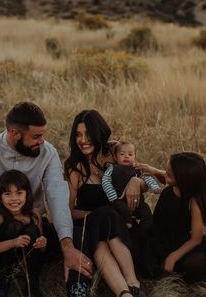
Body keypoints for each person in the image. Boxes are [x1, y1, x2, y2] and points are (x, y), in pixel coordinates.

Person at [0, 102, 92, 288]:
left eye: (43, 135)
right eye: (36, 136)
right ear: (14, 133)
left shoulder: (48, 153)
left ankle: (74, 287)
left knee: (78, 237)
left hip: (30, 228)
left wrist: (67, 246)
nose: (42, 141)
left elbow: (57, 198)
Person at [64, 110, 146, 297]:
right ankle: (129, 288)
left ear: (99, 133)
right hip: (91, 225)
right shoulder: (75, 167)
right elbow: (68, 211)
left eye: (88, 134)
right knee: (103, 217)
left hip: (120, 227)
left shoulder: (115, 153)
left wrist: (136, 182)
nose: (83, 139)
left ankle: (129, 287)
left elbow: (142, 178)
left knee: (107, 224)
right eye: (78, 134)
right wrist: (95, 215)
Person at [137, 152, 206, 282]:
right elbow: (165, 177)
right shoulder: (172, 187)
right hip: (161, 239)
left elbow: (196, 239)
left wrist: (173, 257)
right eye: (167, 170)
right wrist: (154, 171)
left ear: (183, 179)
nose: (166, 172)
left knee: (195, 263)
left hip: (183, 244)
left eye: (169, 172)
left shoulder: (193, 202)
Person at [0, 169, 47, 297]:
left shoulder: (35, 215)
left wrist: (42, 242)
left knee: (31, 230)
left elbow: (43, 249)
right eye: (7, 194)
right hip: (4, 258)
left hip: (28, 260)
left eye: (19, 193)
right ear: (0, 198)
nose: (14, 198)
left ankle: (31, 284)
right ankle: (3, 282)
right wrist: (13, 243)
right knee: (14, 226)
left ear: (27, 195)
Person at [102, 141, 161, 230]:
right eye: (122, 154)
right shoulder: (112, 168)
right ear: (115, 157)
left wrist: (155, 188)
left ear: (134, 157)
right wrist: (113, 198)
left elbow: (147, 178)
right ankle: (127, 223)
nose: (126, 156)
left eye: (130, 154)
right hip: (120, 199)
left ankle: (147, 229)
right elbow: (106, 181)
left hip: (137, 201)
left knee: (146, 211)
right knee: (121, 210)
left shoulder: (137, 168)